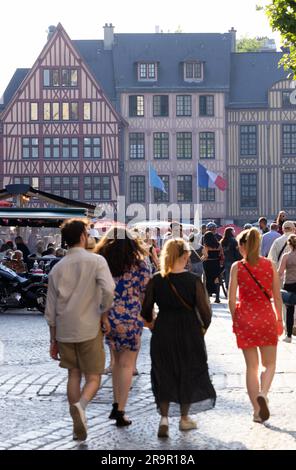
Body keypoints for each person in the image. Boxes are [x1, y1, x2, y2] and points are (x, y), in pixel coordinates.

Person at [45, 218, 115, 441]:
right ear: (84, 236)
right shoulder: (96, 261)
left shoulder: (57, 268)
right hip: (90, 327)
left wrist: (52, 340)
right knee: (93, 377)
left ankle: (77, 422)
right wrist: (104, 313)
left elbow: (50, 309)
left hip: (65, 329)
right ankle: (81, 406)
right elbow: (109, 290)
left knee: (73, 375)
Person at [141, 238, 216, 438]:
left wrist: (153, 326)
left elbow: (146, 311)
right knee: (187, 372)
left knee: (164, 373)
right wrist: (201, 331)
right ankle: (184, 418)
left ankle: (164, 419)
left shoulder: (156, 280)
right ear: (185, 255)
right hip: (189, 332)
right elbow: (206, 313)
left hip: (164, 330)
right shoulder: (193, 281)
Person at [96, 227, 151, 427]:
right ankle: (120, 409)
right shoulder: (140, 264)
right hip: (131, 317)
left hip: (108, 317)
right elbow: (147, 292)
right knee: (127, 365)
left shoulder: (102, 265)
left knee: (116, 363)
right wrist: (148, 317)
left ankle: (115, 403)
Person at [228, 228, 283, 424]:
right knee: (270, 365)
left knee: (251, 367)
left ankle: (257, 412)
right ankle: (264, 392)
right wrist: (279, 319)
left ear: (242, 246)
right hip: (266, 317)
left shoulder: (237, 267)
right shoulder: (270, 265)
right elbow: (277, 296)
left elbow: (231, 298)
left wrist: (236, 319)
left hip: (245, 319)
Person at [278, 234, 296, 343]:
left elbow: (280, 272)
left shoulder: (286, 256)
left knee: (289, 311)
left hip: (289, 284)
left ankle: (288, 336)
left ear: (289, 244)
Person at [203, 231, 224, 303]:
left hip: (208, 263)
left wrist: (201, 258)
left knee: (208, 279)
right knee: (216, 279)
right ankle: (217, 297)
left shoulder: (206, 245)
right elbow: (221, 254)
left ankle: (208, 297)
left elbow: (206, 256)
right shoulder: (219, 244)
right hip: (216, 263)